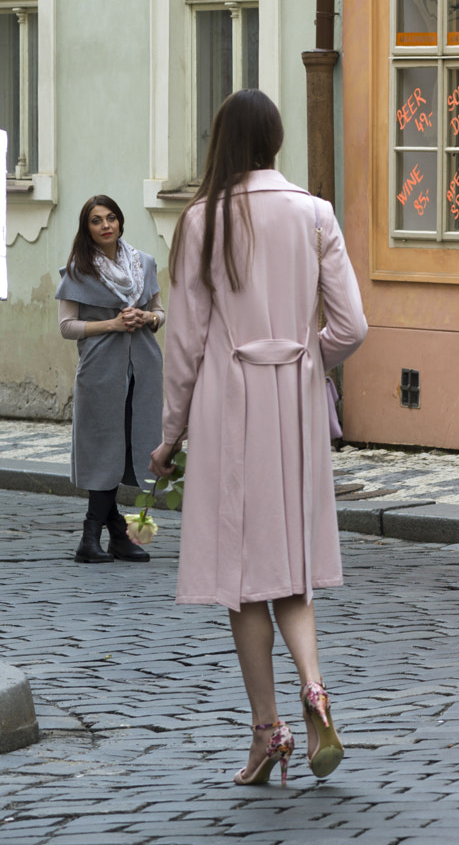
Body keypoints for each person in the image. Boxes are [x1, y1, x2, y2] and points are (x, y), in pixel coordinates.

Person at [152, 89, 367, 789]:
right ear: (275, 139)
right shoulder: (314, 213)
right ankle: (315, 689)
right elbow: (351, 328)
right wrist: (307, 361)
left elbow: (184, 345)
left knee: (245, 582)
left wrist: (168, 436)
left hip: (228, 404)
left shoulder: (201, 220)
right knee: (291, 570)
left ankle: (268, 731)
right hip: (296, 404)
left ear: (223, 142)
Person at [56, 195, 164, 564]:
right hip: (100, 371)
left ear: (120, 222)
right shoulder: (77, 270)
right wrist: (113, 324)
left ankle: (112, 535)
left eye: (111, 218)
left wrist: (147, 319)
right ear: (86, 229)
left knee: (128, 448)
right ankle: (94, 536)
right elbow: (67, 327)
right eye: (96, 220)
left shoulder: (144, 264)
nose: (106, 225)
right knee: (103, 448)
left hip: (143, 369)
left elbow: (159, 311)